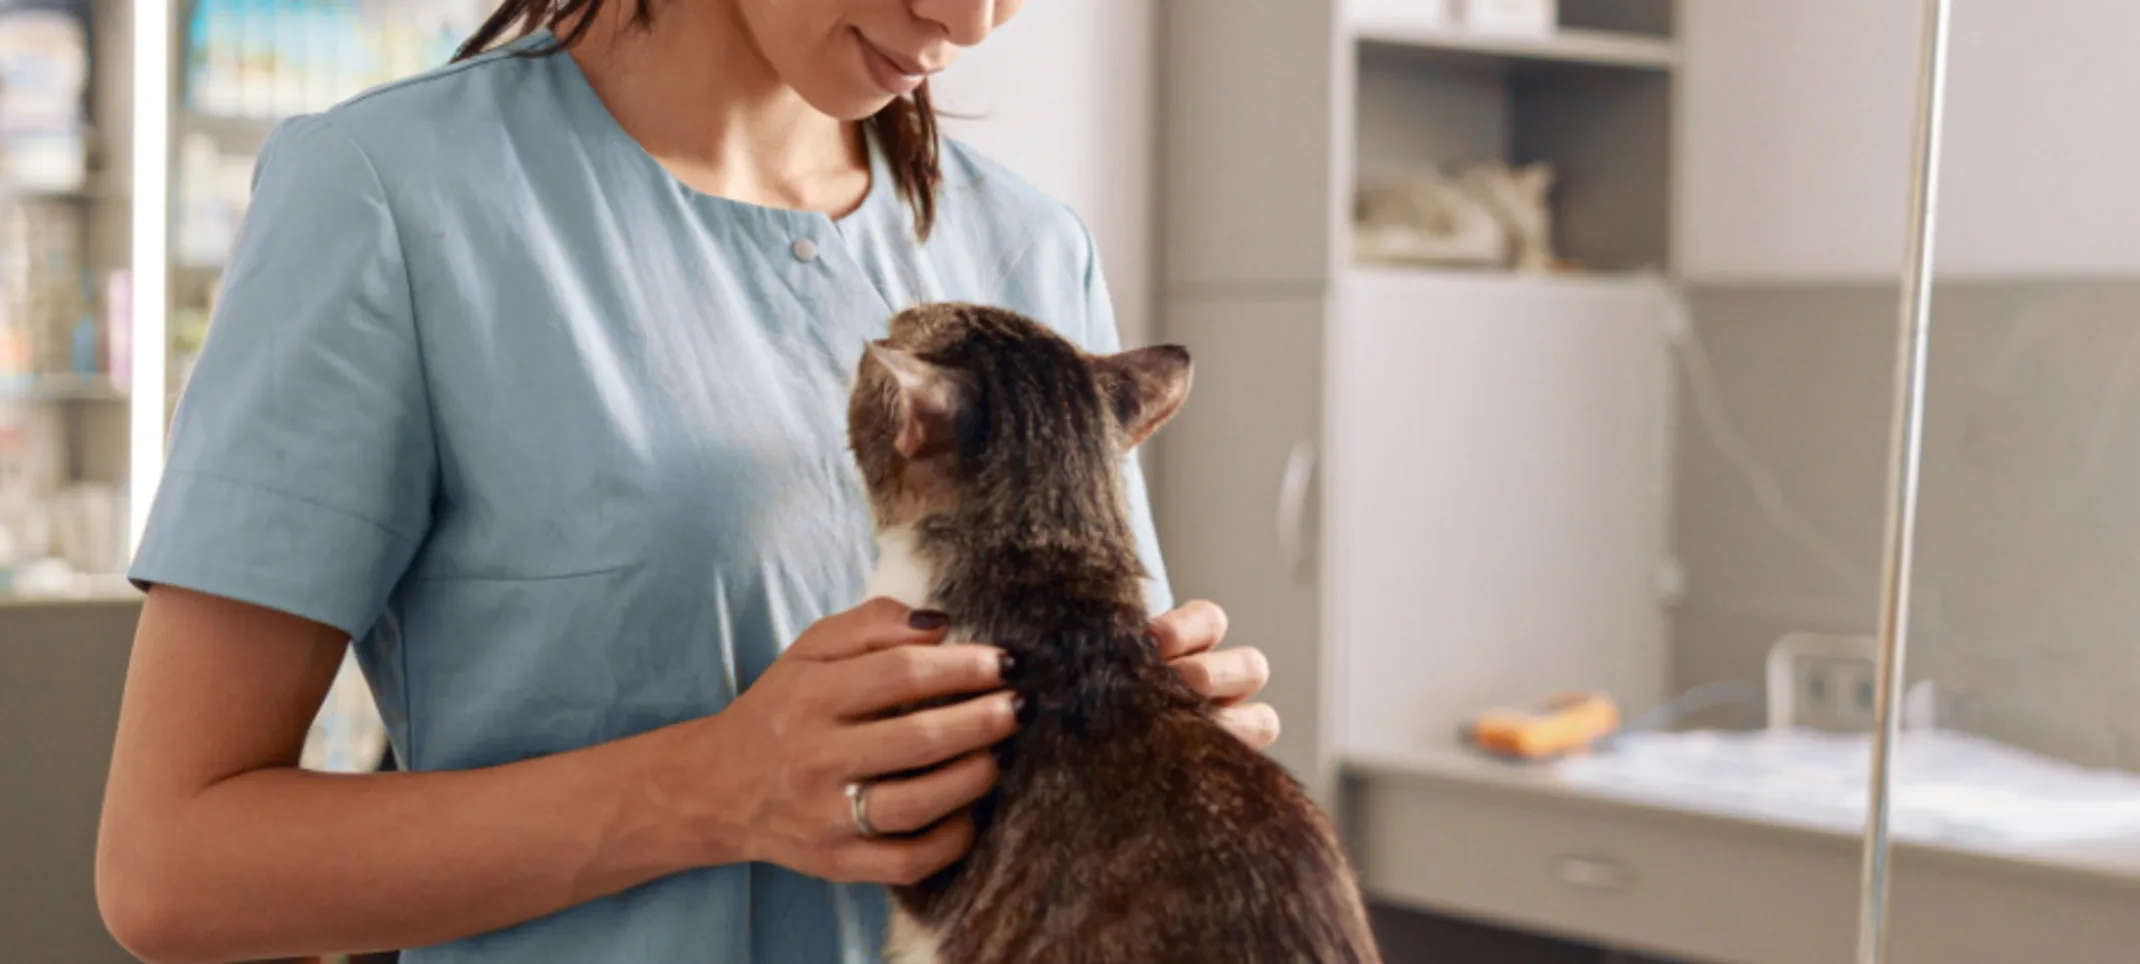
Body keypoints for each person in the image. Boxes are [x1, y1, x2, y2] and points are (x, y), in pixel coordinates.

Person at [93, 2, 1280, 963]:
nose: (967, 20)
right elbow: (168, 870)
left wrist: (1169, 763)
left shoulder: (1028, 248)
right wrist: (715, 788)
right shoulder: (391, 196)